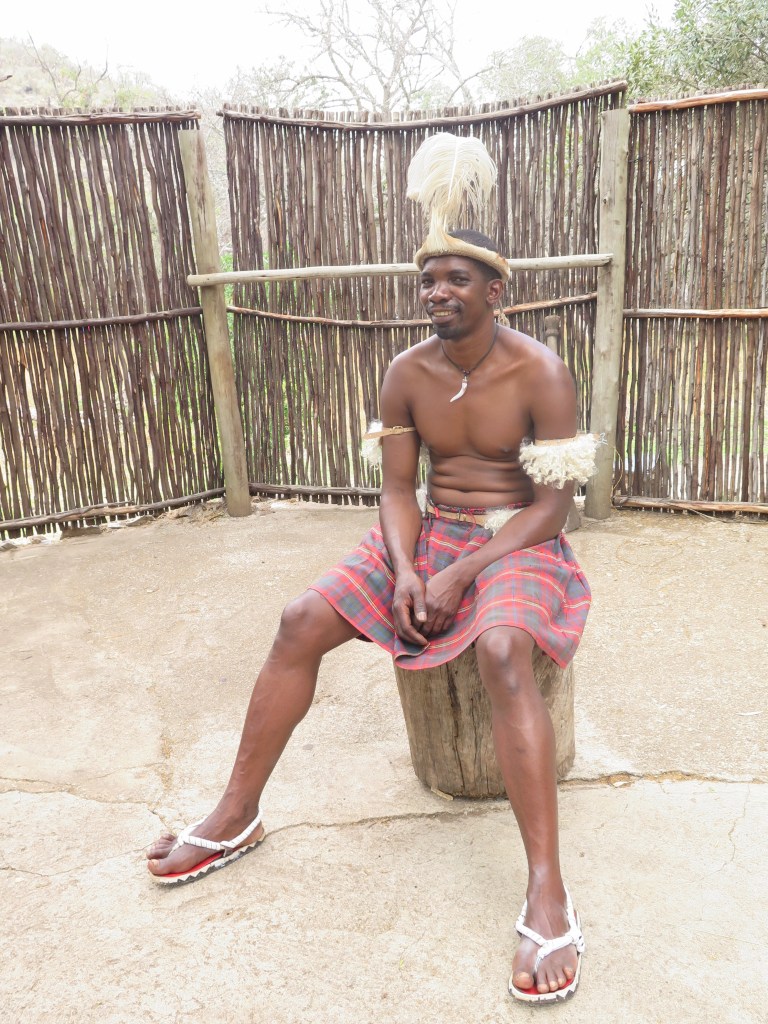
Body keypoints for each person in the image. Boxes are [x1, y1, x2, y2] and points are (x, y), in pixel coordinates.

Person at [147, 137, 596, 1004]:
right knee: (297, 621)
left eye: (458, 279)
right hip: (425, 535)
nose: (438, 292)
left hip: (516, 539)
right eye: (428, 280)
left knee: (504, 653)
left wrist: (465, 574)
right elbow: (398, 489)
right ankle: (235, 816)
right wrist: (402, 569)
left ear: (495, 290)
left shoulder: (542, 371)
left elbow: (557, 507)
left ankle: (547, 886)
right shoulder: (405, 374)